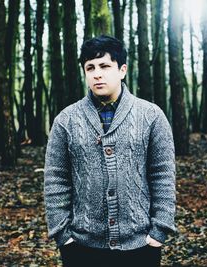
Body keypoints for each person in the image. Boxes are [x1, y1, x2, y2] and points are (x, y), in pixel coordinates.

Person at [44, 35, 176, 267]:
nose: (97, 73)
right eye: (90, 67)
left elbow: (163, 175)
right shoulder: (66, 120)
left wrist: (158, 233)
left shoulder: (152, 116)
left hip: (140, 246)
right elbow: (55, 179)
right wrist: (63, 237)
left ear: (122, 70)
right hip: (82, 247)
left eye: (105, 66)